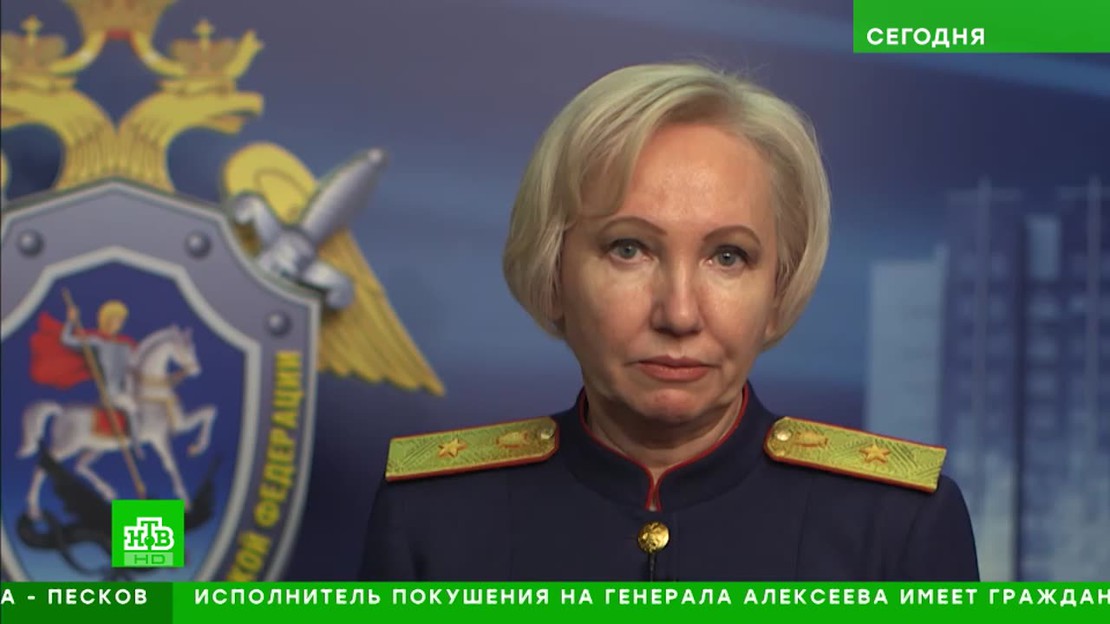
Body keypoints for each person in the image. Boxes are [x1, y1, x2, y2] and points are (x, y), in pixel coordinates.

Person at [357, 62, 979, 581]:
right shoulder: (430, 517)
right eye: (628, 249)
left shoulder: (900, 526)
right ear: (554, 273)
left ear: (778, 288)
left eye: (728, 256)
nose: (679, 314)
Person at [29, 299, 143, 458]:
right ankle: (136, 447)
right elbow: (67, 340)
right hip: (111, 393)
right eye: (116, 319)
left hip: (128, 390)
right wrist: (71, 321)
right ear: (107, 320)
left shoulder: (126, 345)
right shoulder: (97, 343)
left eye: (121, 320)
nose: (119, 323)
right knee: (132, 407)